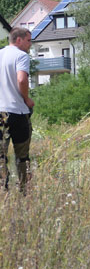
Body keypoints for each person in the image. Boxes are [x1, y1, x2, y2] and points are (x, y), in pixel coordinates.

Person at [0, 27, 34, 193]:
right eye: (28, 40)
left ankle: (3, 190)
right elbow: (21, 79)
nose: (30, 44)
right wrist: (26, 99)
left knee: (1, 156)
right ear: (18, 40)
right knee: (22, 156)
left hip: (0, 113)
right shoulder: (21, 56)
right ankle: (23, 190)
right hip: (17, 111)